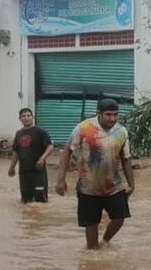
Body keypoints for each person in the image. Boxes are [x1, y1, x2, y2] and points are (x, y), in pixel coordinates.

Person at [55, 98, 135, 250]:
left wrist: (132, 183)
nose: (112, 118)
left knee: (119, 218)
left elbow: (126, 158)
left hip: (113, 186)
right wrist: (60, 180)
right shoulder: (84, 128)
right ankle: (93, 257)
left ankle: (105, 241)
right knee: (91, 227)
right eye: (108, 114)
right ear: (99, 113)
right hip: (88, 187)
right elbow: (66, 151)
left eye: (115, 114)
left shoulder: (121, 131)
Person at [7, 108, 55, 203]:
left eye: (28, 115)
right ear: (20, 118)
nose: (26, 118)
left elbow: (50, 146)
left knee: (40, 200)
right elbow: (16, 151)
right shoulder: (19, 134)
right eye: (23, 116)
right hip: (24, 171)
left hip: (38, 171)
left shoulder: (40, 131)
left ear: (32, 117)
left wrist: (42, 159)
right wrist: (12, 167)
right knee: (25, 200)